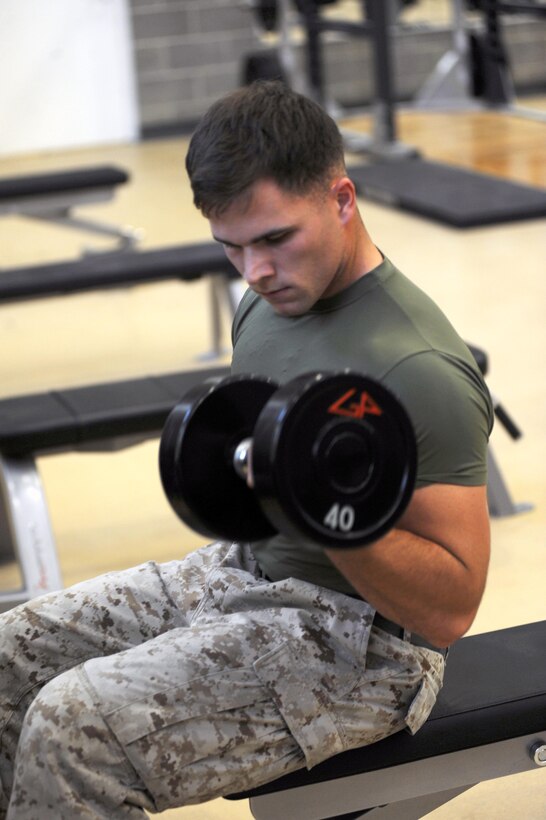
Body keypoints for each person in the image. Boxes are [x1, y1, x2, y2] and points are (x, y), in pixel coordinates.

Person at [0, 81, 493, 818]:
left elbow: (450, 611)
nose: (255, 271)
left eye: (274, 239)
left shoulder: (416, 368)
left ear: (342, 199)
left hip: (364, 647)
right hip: (243, 571)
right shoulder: (263, 303)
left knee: (77, 729)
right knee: (9, 651)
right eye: (230, 247)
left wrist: (329, 515)